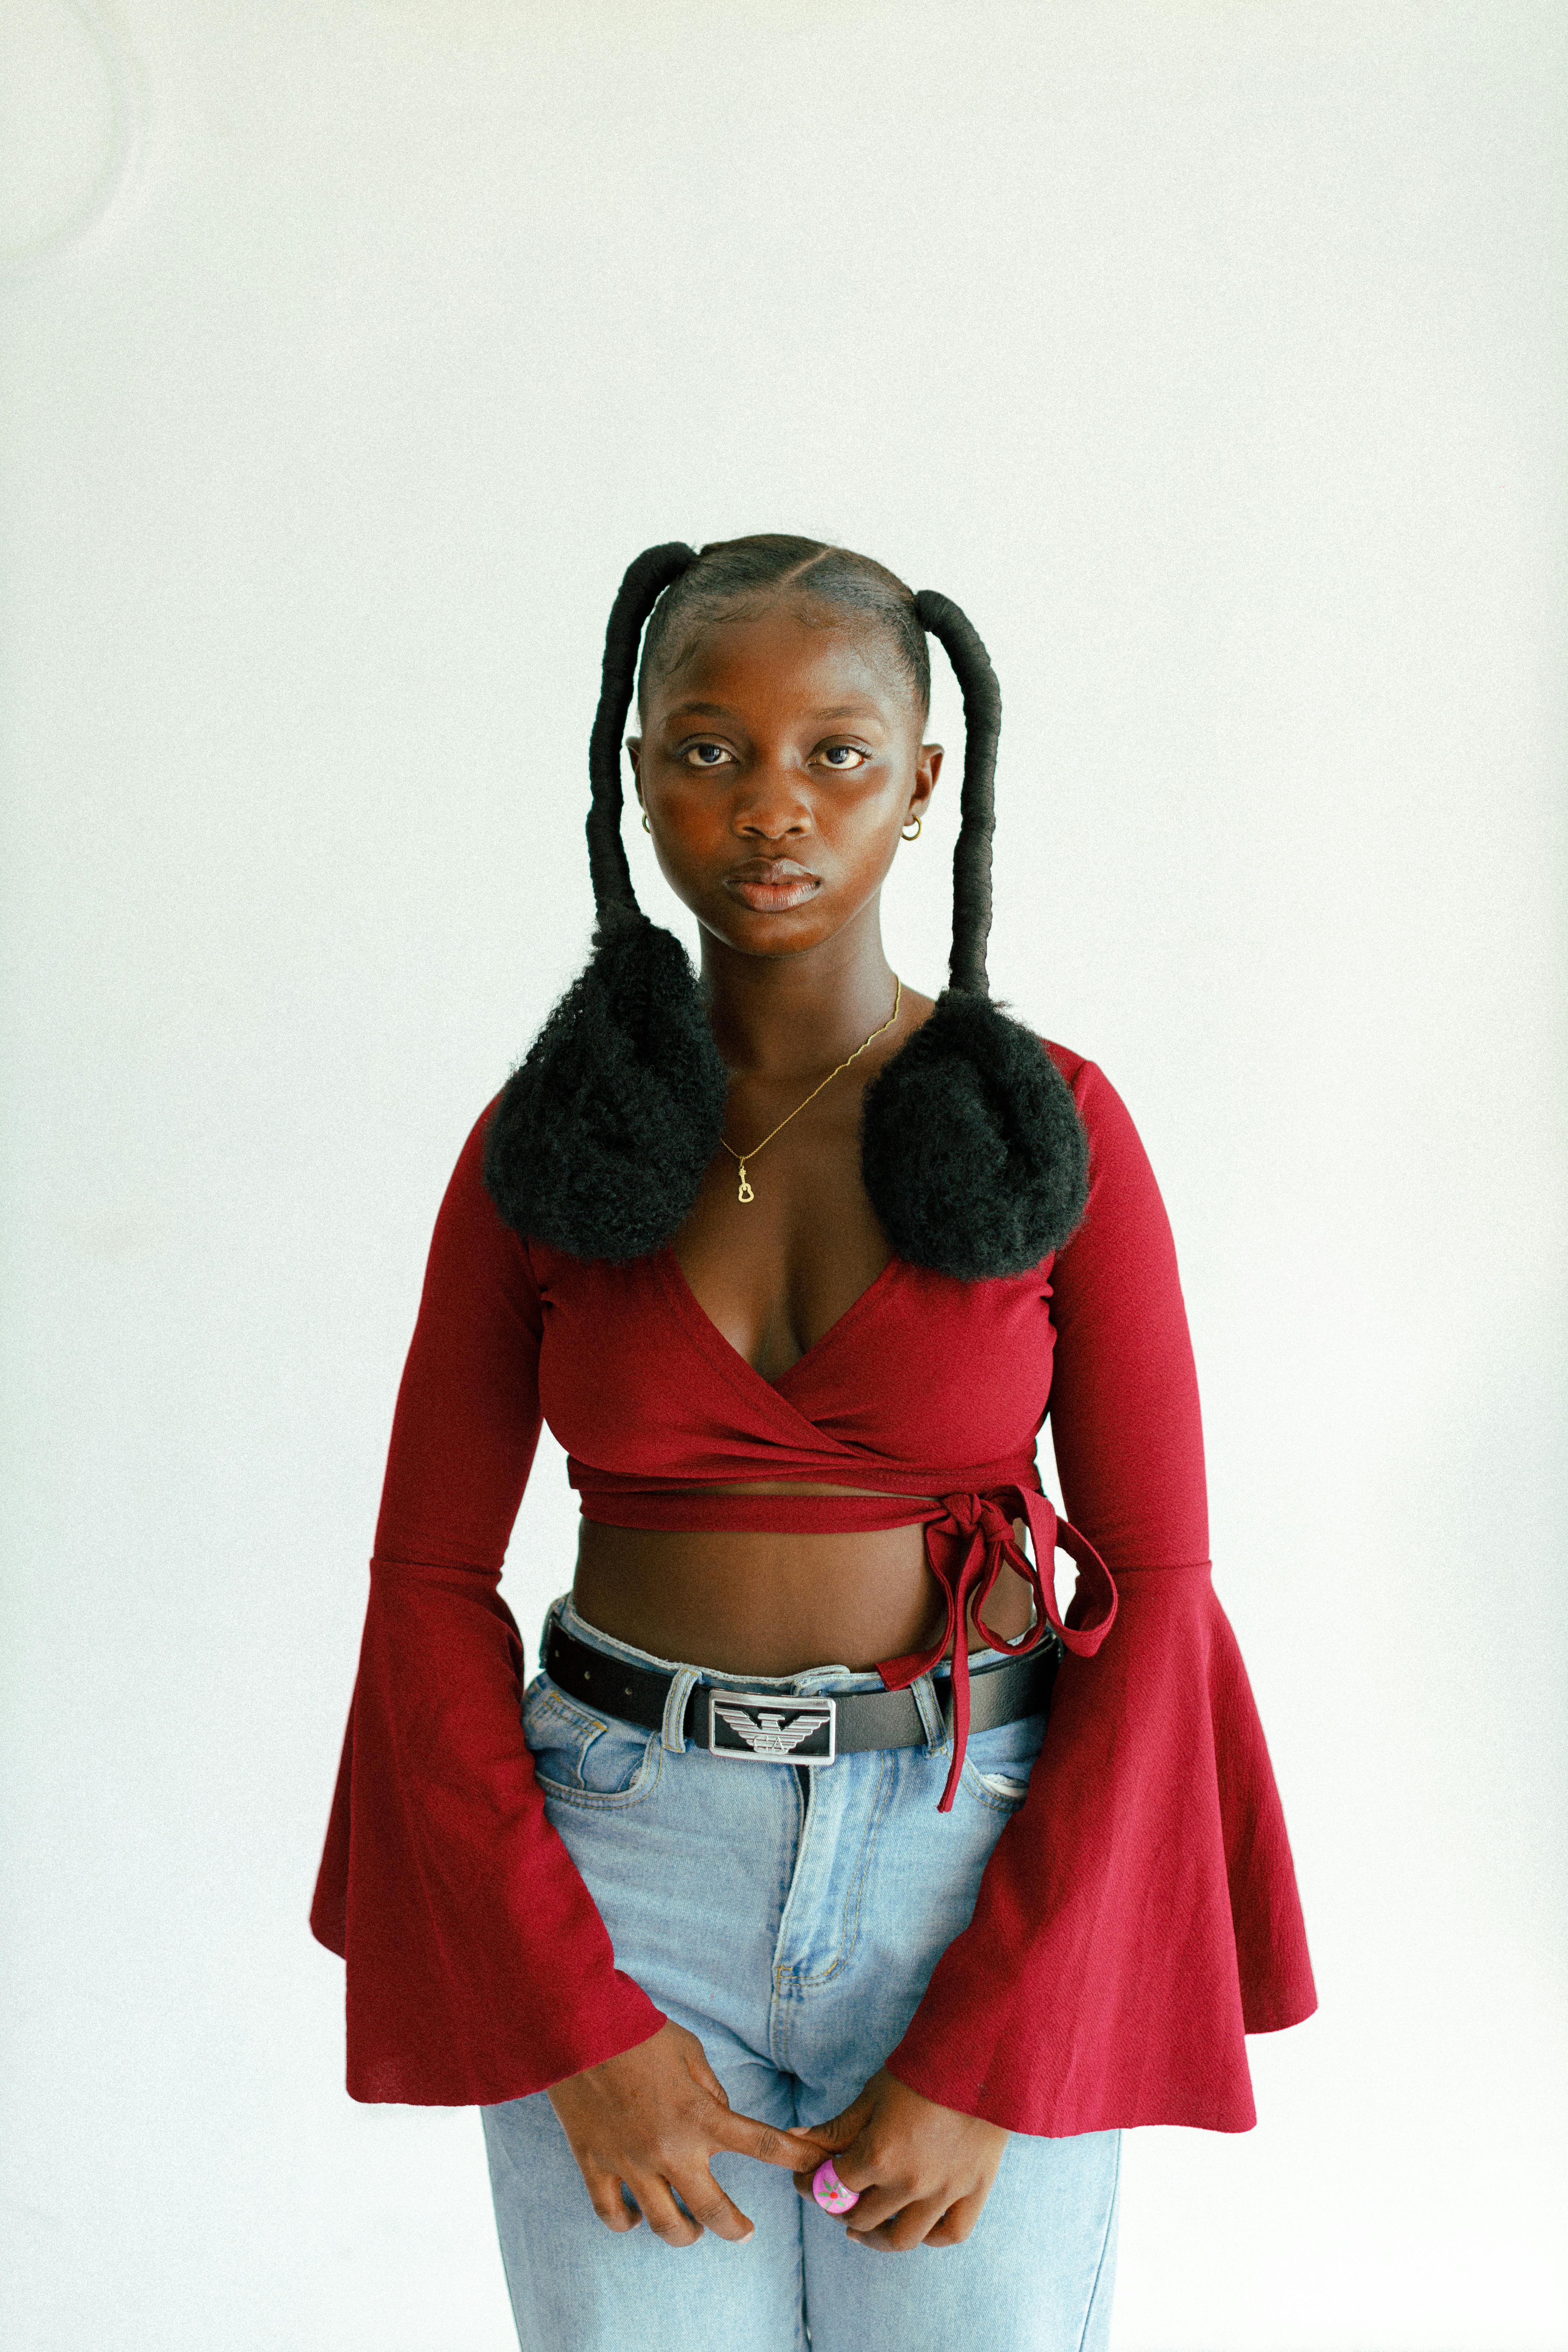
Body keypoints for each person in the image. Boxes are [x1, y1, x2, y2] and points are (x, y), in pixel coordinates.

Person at [310, 536, 1316, 2352]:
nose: (773, 809)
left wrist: (1012, 2032)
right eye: (710, 749)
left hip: (974, 1864)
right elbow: (426, 1588)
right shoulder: (543, 1150)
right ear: (639, 773)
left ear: (925, 777)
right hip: (626, 1883)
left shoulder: (1055, 1132)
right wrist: (575, 2025)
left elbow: (1162, 1599)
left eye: (836, 754)